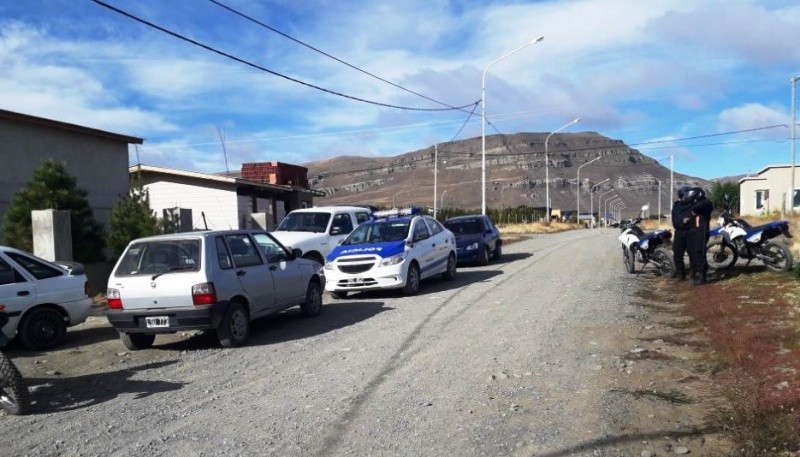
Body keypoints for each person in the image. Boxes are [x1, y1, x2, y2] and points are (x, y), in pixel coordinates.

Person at [683, 187, 713, 285]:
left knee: (699, 252)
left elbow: (698, 207)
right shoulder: (694, 204)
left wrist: (692, 207)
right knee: (691, 252)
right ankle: (693, 273)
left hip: (702, 231)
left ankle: (702, 276)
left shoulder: (706, 203)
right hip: (694, 231)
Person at [671, 187, 693, 280]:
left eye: (689, 194)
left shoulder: (693, 204)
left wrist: (689, 219)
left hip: (691, 232)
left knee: (693, 254)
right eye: (686, 194)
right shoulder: (676, 206)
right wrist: (682, 221)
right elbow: (675, 220)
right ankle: (680, 274)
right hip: (679, 232)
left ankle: (693, 274)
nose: (688, 196)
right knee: (677, 254)